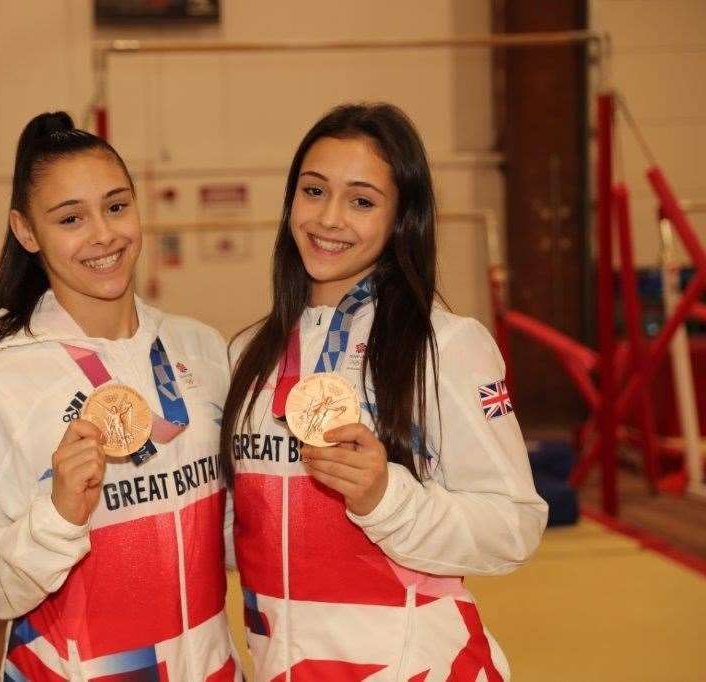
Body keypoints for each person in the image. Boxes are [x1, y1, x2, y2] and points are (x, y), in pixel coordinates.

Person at [220, 103, 547, 681]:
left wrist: (385, 498)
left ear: (402, 219)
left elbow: (513, 527)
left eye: (362, 201)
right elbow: (241, 536)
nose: (329, 218)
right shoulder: (247, 353)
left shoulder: (444, 346)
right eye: (313, 190)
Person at [0, 111, 239, 681]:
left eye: (117, 206)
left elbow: (221, 534)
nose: (104, 234)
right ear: (27, 232)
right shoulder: (1, 385)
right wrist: (56, 519)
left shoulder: (200, 349)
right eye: (71, 218)